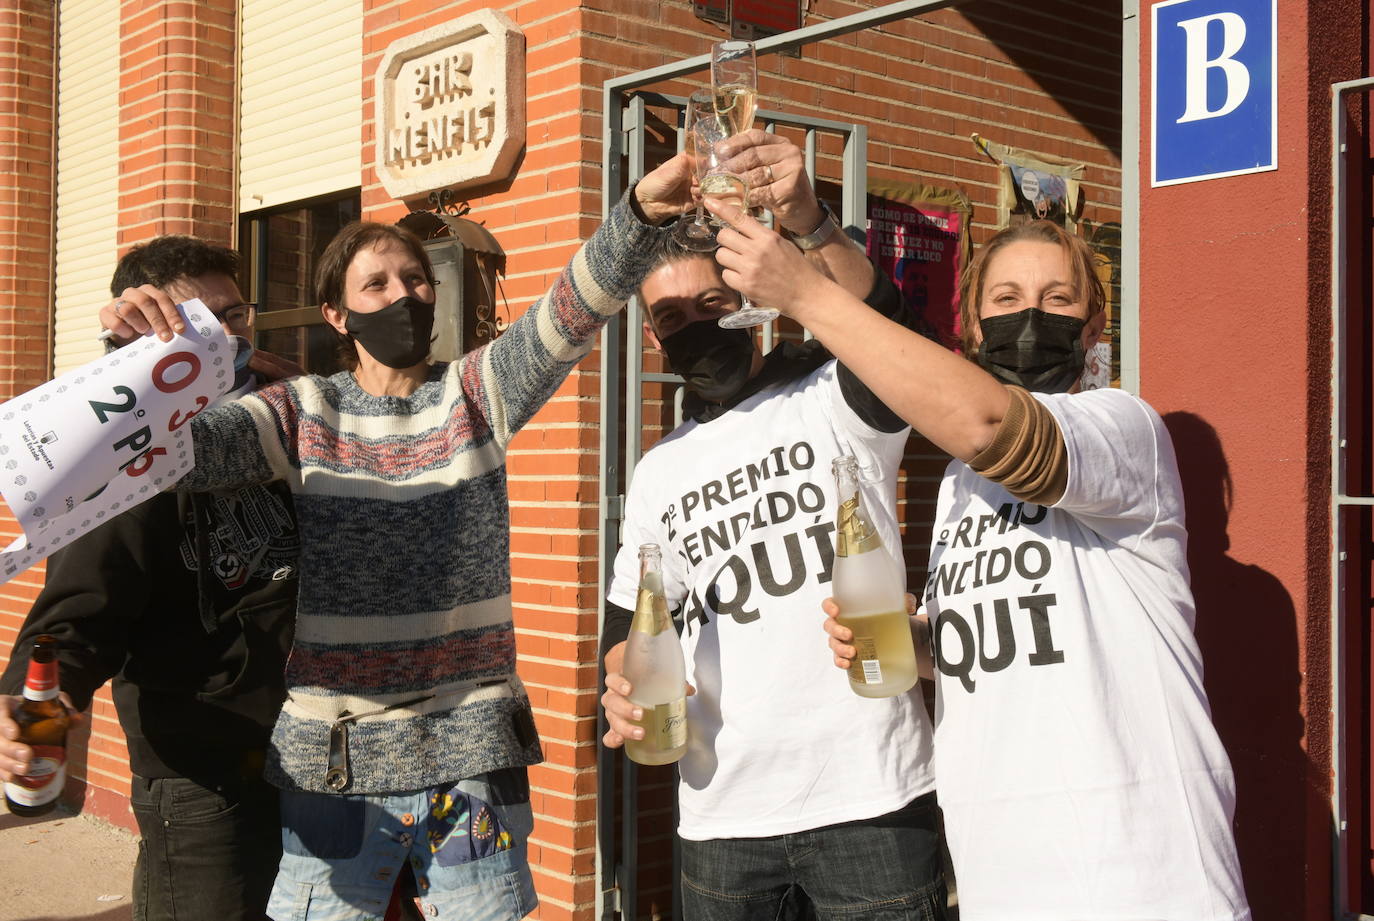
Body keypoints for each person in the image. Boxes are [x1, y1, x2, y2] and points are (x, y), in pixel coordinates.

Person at [107, 157, 693, 921]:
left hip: (468, 764)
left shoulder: (476, 393)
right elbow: (171, 453)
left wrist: (639, 219)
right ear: (337, 316)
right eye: (376, 284)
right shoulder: (304, 411)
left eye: (416, 278)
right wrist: (133, 362)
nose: (404, 294)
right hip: (339, 765)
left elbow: (569, 312)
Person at [708, 204, 1252, 921]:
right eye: (1007, 299)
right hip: (1002, 876)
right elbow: (992, 651)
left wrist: (806, 294)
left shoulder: (1125, 428)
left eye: (1057, 299)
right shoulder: (962, 484)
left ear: (1093, 329)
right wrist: (917, 641)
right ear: (972, 326)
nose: (1030, 317)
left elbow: (993, 424)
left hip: (1143, 878)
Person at [599, 131, 947, 921]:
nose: (694, 325)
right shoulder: (658, 470)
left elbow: (891, 329)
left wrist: (812, 225)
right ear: (653, 335)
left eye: (713, 305)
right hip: (723, 814)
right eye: (672, 316)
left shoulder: (831, 397)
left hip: (871, 799)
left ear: (746, 304)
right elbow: (624, 629)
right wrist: (619, 684)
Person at [0, 234, 304, 921]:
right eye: (202, 323)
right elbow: (76, 611)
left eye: (235, 317)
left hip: (320, 760)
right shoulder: (129, 457)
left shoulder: (288, 415)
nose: (226, 338)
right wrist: (30, 699)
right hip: (204, 784)